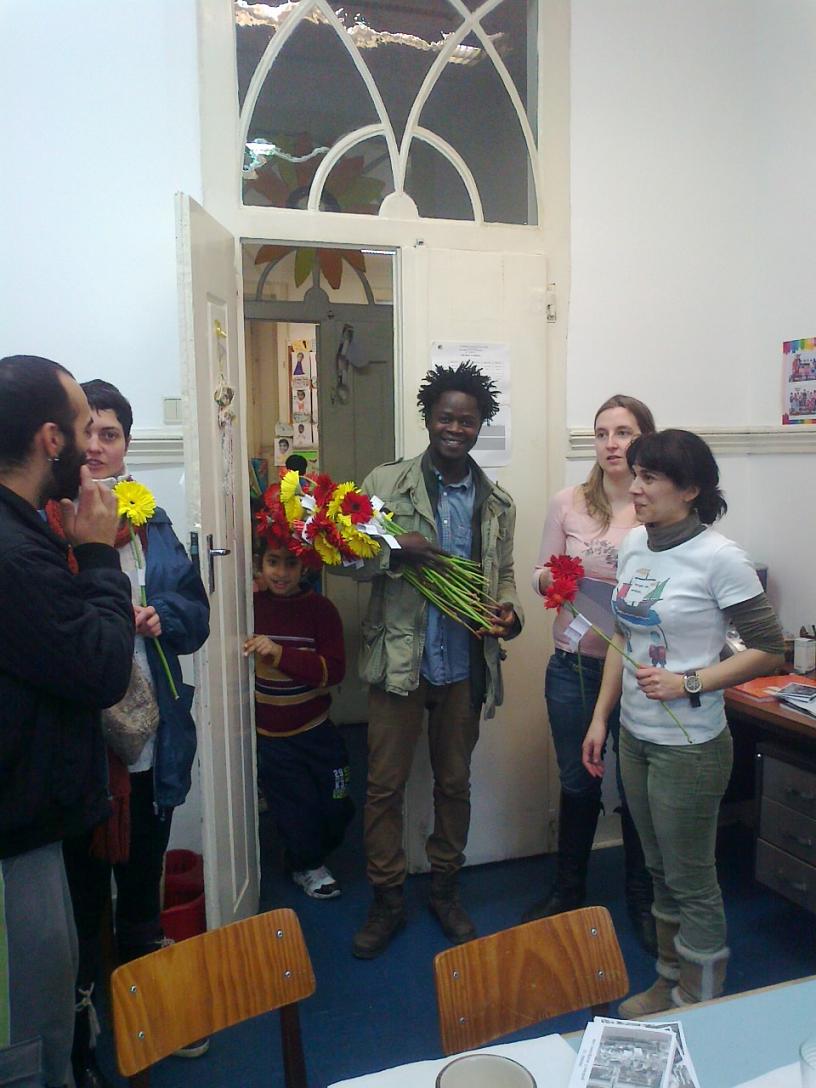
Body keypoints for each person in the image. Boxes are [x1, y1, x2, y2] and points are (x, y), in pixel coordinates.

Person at [581, 429, 784, 1015]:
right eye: (636, 475)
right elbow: (624, 635)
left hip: (690, 745)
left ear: (691, 489)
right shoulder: (636, 544)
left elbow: (769, 649)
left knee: (690, 878)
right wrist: (601, 718)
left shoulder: (721, 558)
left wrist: (689, 681)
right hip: (637, 737)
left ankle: (700, 999)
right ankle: (669, 979)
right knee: (657, 869)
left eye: (650, 478)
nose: (635, 487)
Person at [57, 380, 209, 1085]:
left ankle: (153, 1020)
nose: (96, 446)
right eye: (85, 431)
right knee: (81, 905)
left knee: (143, 888)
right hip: (80, 751)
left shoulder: (152, 522)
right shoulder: (43, 521)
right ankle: (82, 1034)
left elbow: (195, 616)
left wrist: (160, 618)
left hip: (151, 739)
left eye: (110, 434)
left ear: (126, 446)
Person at [348, 363, 523, 959]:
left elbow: (505, 575)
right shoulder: (385, 482)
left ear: (480, 427)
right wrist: (398, 549)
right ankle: (387, 899)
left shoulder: (497, 502)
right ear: (428, 418)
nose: (455, 429)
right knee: (383, 787)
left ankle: (446, 890)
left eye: (467, 421)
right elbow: (345, 560)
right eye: (446, 417)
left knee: (454, 783)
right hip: (400, 663)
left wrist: (509, 613)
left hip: (464, 667)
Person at [0, 356, 134, 1088]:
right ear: (51, 440)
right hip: (14, 842)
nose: (92, 445)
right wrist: (97, 556)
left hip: (32, 824)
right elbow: (101, 670)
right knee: (27, 1045)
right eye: (84, 426)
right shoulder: (17, 551)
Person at [523, 395, 659, 955]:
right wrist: (552, 581)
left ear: (645, 439)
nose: (611, 444)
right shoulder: (569, 502)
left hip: (640, 674)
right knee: (578, 779)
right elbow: (537, 572)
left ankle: (642, 899)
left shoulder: (655, 504)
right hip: (574, 664)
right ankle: (568, 891)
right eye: (602, 433)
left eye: (623, 432)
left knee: (636, 787)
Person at [243, 531, 352, 899]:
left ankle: (312, 851)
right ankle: (306, 865)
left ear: (304, 566)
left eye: (291, 563)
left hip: (316, 730)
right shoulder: (249, 607)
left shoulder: (321, 610)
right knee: (295, 807)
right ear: (259, 564)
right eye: (273, 562)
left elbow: (334, 671)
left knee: (338, 802)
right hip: (273, 739)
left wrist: (280, 655)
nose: (281, 573)